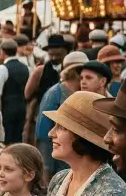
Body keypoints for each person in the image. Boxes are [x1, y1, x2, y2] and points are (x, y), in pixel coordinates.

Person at [35, 51, 87, 179]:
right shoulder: (54, 93)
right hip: (57, 159)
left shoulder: (83, 91)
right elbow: (43, 133)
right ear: (76, 72)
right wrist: (46, 169)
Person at [0, 39, 29, 144]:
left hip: (7, 110)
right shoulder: (25, 67)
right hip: (22, 108)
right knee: (18, 140)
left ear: (3, 52)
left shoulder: (2, 68)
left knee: (7, 141)